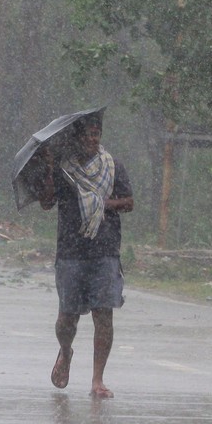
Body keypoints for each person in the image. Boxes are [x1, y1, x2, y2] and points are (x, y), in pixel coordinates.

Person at [37, 116, 133, 398]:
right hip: (70, 253)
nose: (93, 140)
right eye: (88, 135)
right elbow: (46, 202)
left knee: (104, 315)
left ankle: (97, 379)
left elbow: (128, 201)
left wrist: (103, 203)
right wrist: (48, 169)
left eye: (97, 134)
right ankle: (65, 352)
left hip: (105, 251)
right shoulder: (64, 170)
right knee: (67, 320)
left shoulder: (112, 166)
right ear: (76, 139)